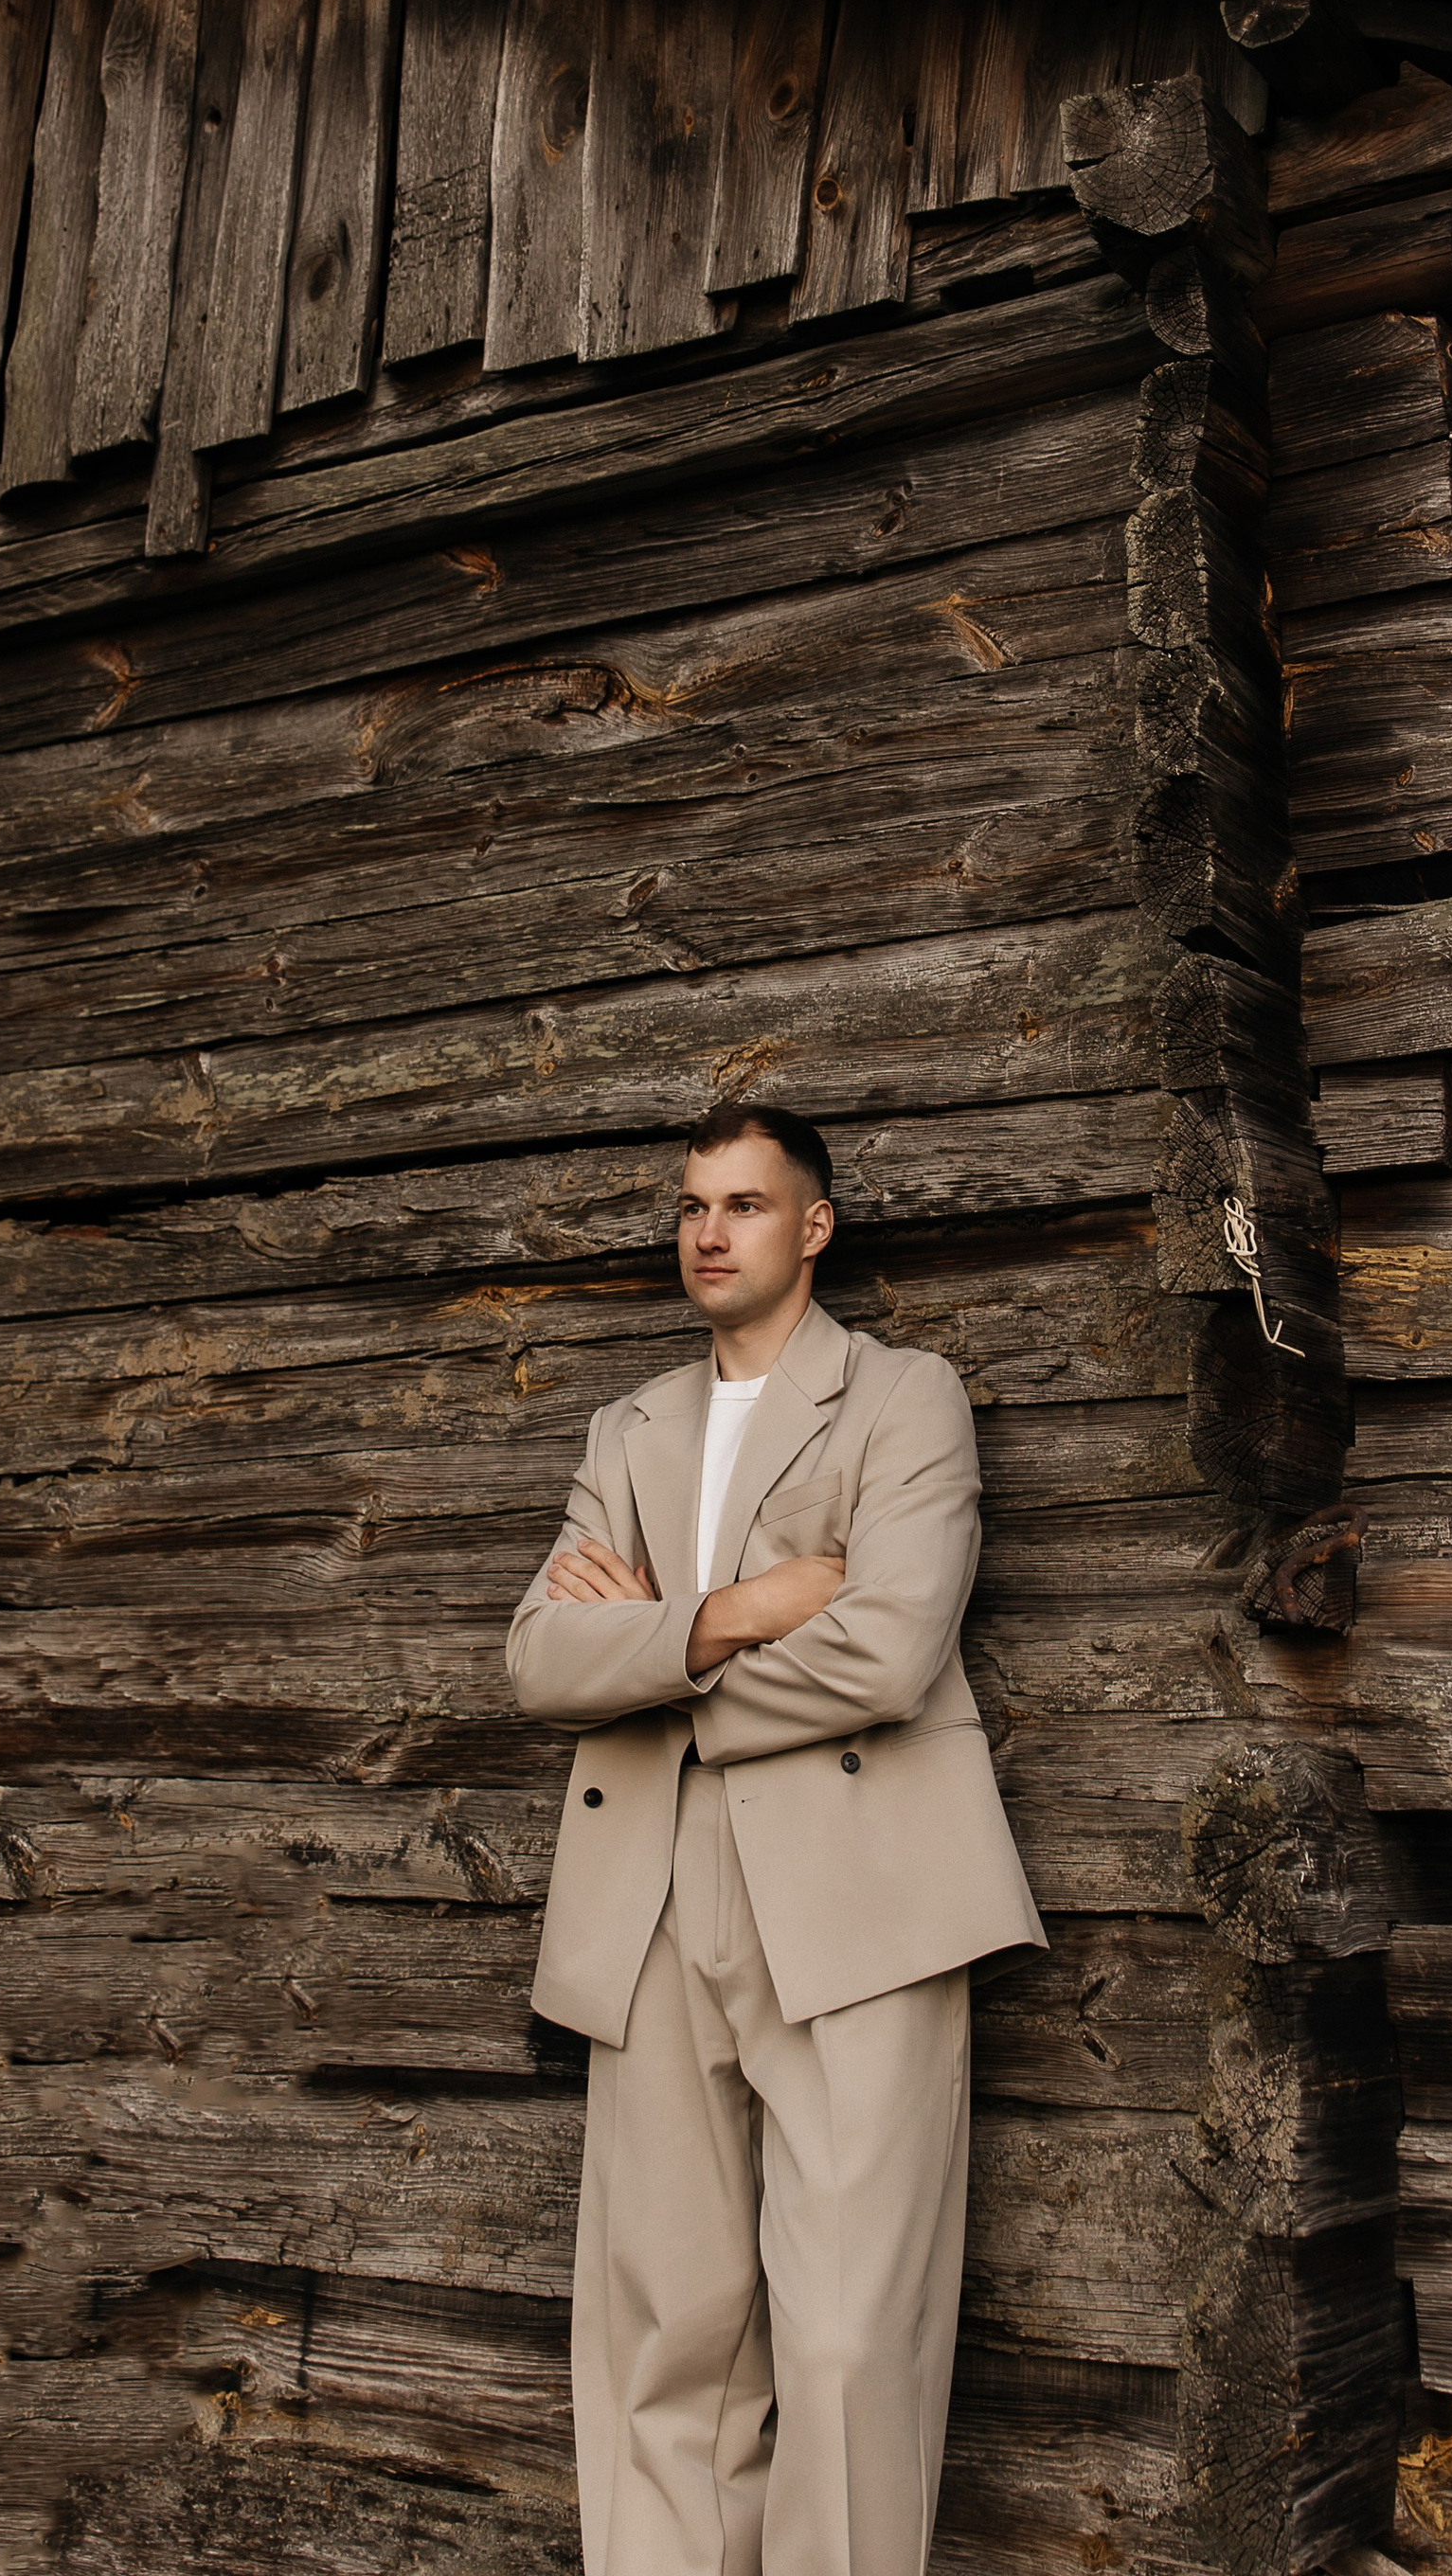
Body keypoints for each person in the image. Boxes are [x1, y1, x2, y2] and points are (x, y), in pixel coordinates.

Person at [507, 1100, 1045, 2576]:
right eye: (692, 1205)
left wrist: (652, 1653)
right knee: (666, 2328)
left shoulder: (904, 1398)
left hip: (859, 1898)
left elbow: (888, 1649)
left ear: (813, 1227)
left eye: (743, 1205)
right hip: (647, 1900)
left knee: (849, 2338)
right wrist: (740, 1611)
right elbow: (541, 1660)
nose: (708, 1232)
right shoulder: (630, 1430)